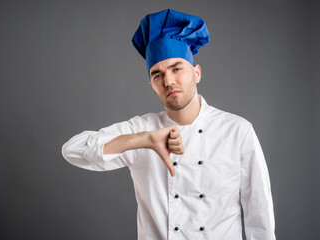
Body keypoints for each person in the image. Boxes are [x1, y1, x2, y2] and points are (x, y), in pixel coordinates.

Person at [62, 9, 276, 240]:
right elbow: (72, 150)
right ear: (152, 84)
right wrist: (144, 140)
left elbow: (259, 218)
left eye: (176, 68)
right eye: (157, 75)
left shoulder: (237, 131)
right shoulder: (142, 128)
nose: (168, 81)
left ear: (196, 73)